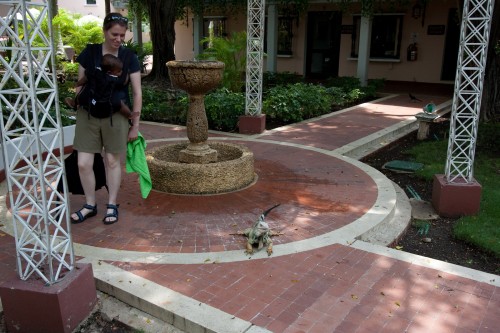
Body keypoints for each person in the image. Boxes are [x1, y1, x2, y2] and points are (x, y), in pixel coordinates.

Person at [70, 12, 142, 225]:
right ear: (104, 31)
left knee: (112, 161)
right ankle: (90, 204)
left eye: (122, 35)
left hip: (116, 115)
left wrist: (134, 125)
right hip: (88, 114)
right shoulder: (90, 53)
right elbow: (80, 83)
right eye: (114, 34)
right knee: (83, 163)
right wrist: (78, 99)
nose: (118, 39)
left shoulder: (129, 57)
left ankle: (111, 204)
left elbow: (137, 93)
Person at [65, 54, 139, 120]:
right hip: (106, 100)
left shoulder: (95, 72)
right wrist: (127, 74)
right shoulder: (112, 79)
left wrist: (78, 84)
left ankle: (74, 103)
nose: (121, 72)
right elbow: (124, 82)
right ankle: (129, 114)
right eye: (119, 71)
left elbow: (85, 78)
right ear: (110, 72)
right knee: (120, 104)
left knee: (81, 97)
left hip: (93, 98)